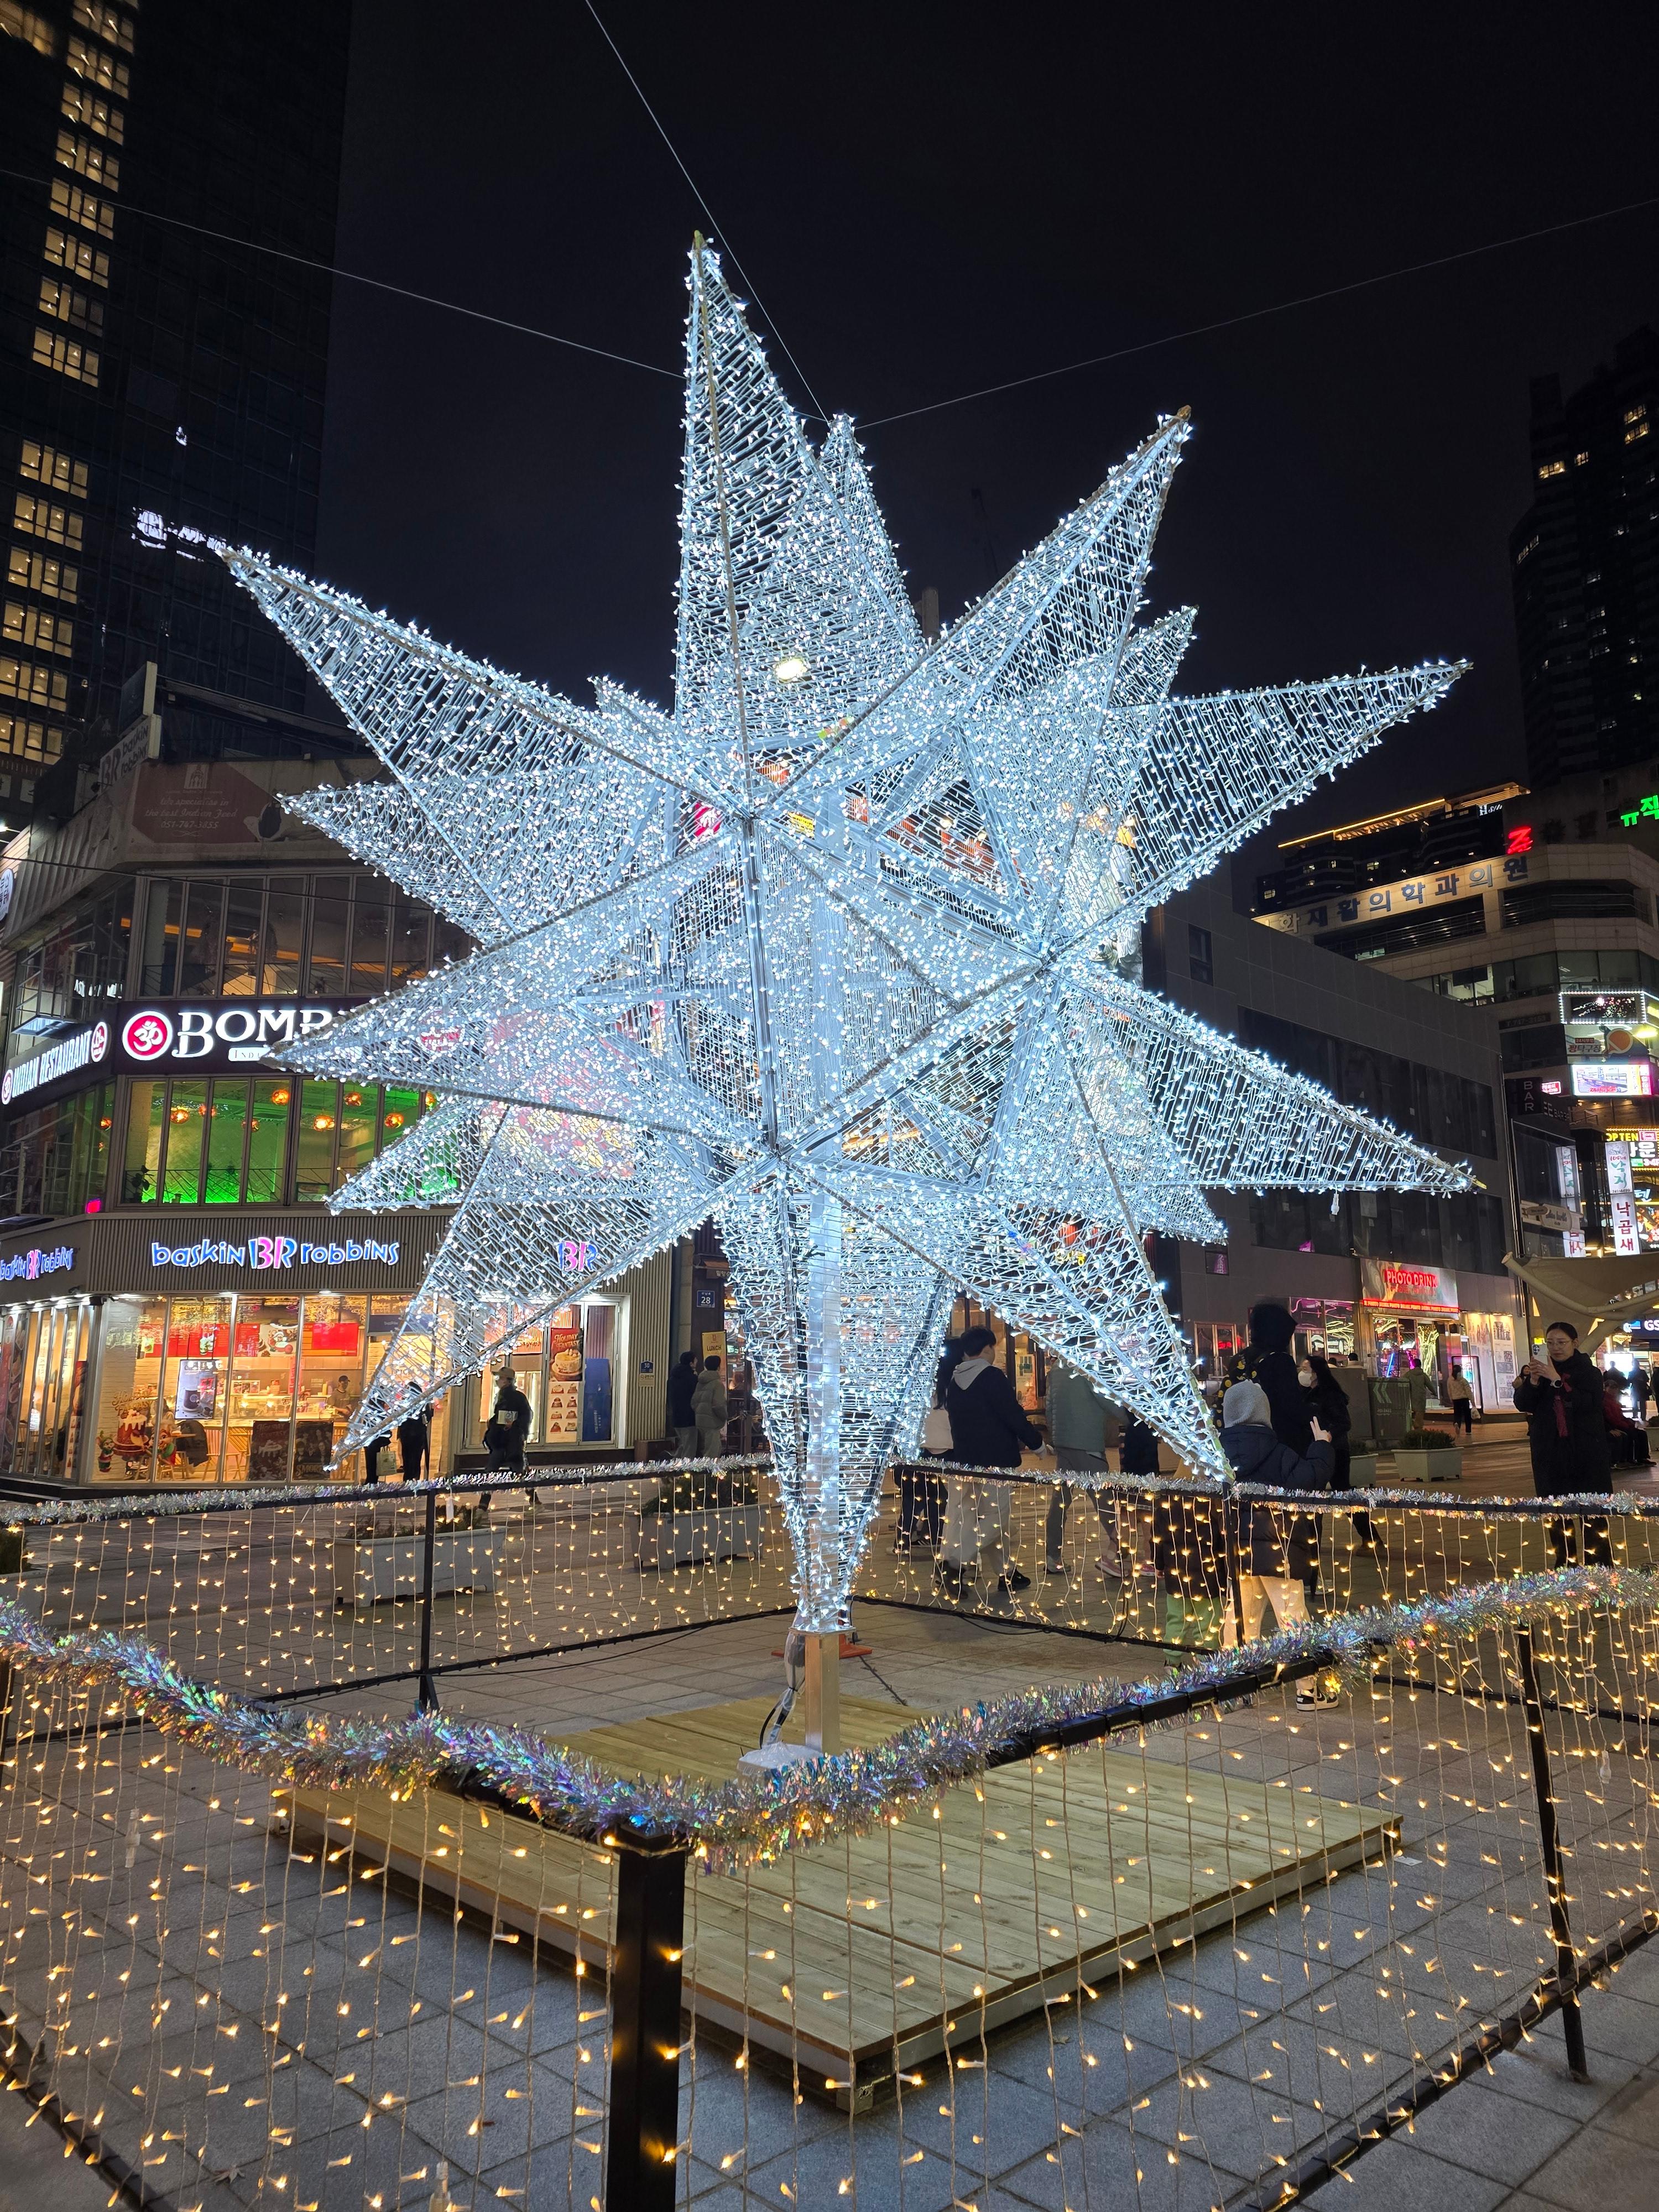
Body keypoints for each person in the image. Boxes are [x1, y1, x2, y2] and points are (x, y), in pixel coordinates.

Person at [1218, 1379, 1338, 1703]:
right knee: (1292, 1615)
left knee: (1240, 1616)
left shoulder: (1219, 1454)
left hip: (1238, 1549)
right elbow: (1310, 1479)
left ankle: (1235, 1685)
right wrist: (1321, 1446)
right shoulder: (1277, 1452)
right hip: (1279, 1548)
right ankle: (1308, 1690)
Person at [938, 1326, 1040, 1595]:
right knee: (996, 1519)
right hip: (995, 1462)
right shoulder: (992, 1376)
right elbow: (1012, 1415)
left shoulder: (955, 1380)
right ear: (987, 1349)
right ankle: (954, 1564)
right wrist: (1037, 1444)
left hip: (965, 1462)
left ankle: (1008, 1574)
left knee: (980, 1518)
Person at [1512, 1322, 1613, 1567]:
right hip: (1550, 1452)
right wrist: (1534, 1380)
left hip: (1585, 1452)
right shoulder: (1539, 1372)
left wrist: (1557, 1380)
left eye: (1561, 1342)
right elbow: (1523, 1404)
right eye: (1550, 1343)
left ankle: (1598, 1567)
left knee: (1592, 1512)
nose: (1556, 1348)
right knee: (1556, 1512)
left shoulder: (1589, 1373)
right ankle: (1565, 1566)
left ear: (1575, 1343)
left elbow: (1588, 1404)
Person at [1042, 1361, 1123, 1578]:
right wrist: (1134, 1417)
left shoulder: (1056, 1371)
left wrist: (1055, 1436)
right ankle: (1119, 1552)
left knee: (1060, 1502)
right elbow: (1107, 1400)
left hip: (1064, 1444)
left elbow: (1049, 1407)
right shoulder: (1088, 1368)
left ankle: (1053, 1557)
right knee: (1104, 1501)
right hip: (1088, 1443)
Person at [1297, 1350, 1363, 1583]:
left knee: (1343, 1495)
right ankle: (1311, 1545)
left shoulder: (1330, 1394)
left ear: (1316, 1373)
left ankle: (1369, 1536)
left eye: (1305, 1369)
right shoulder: (1306, 1393)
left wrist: (1329, 1435)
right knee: (1315, 1497)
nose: (1302, 1373)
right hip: (1315, 1452)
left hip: (1335, 1451)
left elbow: (1344, 1423)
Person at [898, 1339, 955, 1550]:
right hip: (948, 1449)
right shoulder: (952, 1390)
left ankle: (907, 1539)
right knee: (937, 1496)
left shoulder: (918, 1388)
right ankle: (934, 1536)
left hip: (919, 1450)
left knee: (916, 1497)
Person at [1240, 1303, 1312, 1454]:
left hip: (1247, 1439)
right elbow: (1291, 1406)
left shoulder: (1242, 1358)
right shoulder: (1280, 1361)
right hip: (1279, 1442)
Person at [483, 1366, 533, 1477]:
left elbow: (526, 1415)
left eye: (501, 1378)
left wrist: (514, 1424)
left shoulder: (516, 1397)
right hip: (503, 1441)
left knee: (513, 1469)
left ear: (508, 1381)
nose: (498, 1381)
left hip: (511, 1441)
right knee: (500, 1469)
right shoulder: (502, 1396)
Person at [691, 1355, 728, 1457]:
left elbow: (694, 1402)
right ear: (718, 1367)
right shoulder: (717, 1384)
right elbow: (718, 1405)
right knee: (712, 1452)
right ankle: (709, 1468)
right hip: (712, 1422)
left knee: (705, 1449)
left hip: (700, 1420)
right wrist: (725, 1417)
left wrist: (699, 1412)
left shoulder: (701, 1382)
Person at [667, 1349, 700, 1457]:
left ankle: (675, 1464)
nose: (697, 1362)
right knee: (689, 1448)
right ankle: (686, 1467)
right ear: (691, 1363)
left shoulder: (673, 1377)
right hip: (689, 1418)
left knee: (683, 1445)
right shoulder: (692, 1379)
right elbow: (695, 1398)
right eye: (695, 1360)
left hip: (676, 1417)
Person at [396, 1408, 429, 1483]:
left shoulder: (405, 1404)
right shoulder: (421, 1404)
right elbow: (427, 1416)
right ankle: (413, 1477)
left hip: (410, 1432)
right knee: (414, 1458)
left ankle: (410, 1478)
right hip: (415, 1432)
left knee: (409, 1458)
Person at [1446, 1361, 1474, 1437]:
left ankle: (1457, 1423)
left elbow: (1449, 1391)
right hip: (1464, 1399)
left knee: (1457, 1414)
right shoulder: (1463, 1380)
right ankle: (1468, 1431)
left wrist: (1451, 1399)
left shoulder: (1450, 1380)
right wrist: (1472, 1401)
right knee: (1467, 1415)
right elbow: (1468, 1391)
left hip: (1456, 1400)